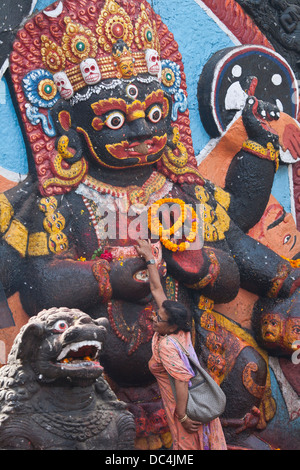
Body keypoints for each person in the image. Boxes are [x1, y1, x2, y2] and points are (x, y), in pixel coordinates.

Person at [136, 239, 227, 450]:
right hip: (197, 403)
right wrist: (149, 257)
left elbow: (181, 381)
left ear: (170, 326)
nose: (153, 320)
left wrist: (183, 416)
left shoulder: (167, 345)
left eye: (158, 319)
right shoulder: (180, 331)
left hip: (184, 408)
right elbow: (157, 290)